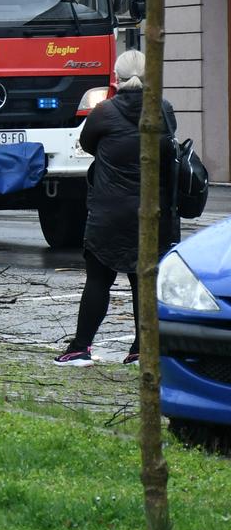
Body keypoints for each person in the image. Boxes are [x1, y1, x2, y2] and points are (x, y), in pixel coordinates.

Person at [56, 49, 178, 366]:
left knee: (98, 280)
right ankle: (141, 349)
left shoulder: (104, 112)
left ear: (116, 77)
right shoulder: (163, 110)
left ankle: (80, 348)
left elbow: (87, 145)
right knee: (143, 281)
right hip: (153, 211)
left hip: (109, 212)